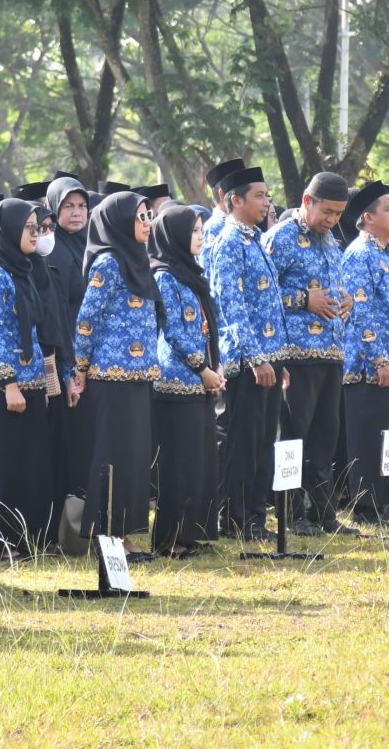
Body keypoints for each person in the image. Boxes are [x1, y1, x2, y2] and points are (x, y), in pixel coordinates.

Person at [262, 173, 353, 534]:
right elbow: (263, 297)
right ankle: (290, 513)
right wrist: (304, 300)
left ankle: (323, 514)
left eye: (338, 213)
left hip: (330, 353)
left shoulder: (332, 242)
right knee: (293, 436)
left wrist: (344, 299)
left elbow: (334, 289)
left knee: (324, 437)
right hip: (294, 356)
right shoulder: (279, 239)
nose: (331, 219)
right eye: (327, 211)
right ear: (306, 201)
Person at [73, 191, 161, 555]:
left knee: (134, 458)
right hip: (110, 377)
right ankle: (105, 537)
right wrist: (79, 368)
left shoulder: (138, 258)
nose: (147, 223)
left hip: (139, 376)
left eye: (147, 216)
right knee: (112, 457)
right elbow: (86, 321)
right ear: (120, 222)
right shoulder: (108, 263)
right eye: (140, 217)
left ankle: (124, 535)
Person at [204, 167, 287, 539]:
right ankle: (238, 520)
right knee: (243, 443)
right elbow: (230, 308)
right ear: (233, 200)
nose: (265, 202)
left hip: (268, 360)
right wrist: (257, 358)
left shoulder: (254, 239)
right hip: (245, 365)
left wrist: (277, 359)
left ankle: (255, 516)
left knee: (264, 442)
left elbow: (269, 305)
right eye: (257, 195)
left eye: (266, 195)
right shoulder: (228, 243)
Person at [0, 199, 54, 559]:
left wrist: (45, 381)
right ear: (7, 230)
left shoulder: (23, 269)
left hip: (31, 382)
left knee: (29, 465)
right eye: (29, 228)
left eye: (39, 228)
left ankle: (26, 537)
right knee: (3, 466)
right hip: (4, 388)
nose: (36, 235)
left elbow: (35, 330)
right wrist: (9, 383)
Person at [147, 204, 224, 556]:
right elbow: (174, 333)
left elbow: (209, 325)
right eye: (193, 231)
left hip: (202, 380)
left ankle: (191, 533)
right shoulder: (164, 275)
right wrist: (203, 369)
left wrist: (216, 366)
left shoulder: (193, 273)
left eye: (201, 230)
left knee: (199, 462)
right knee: (177, 465)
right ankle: (169, 539)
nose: (201, 237)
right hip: (177, 383)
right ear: (175, 236)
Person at [337, 181, 389, 528]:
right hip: (370, 368)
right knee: (369, 441)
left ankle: (388, 507)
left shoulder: (385, 252)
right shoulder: (359, 254)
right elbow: (360, 313)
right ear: (367, 217)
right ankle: (367, 509)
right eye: (388, 208)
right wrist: (380, 359)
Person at [45, 176, 93, 504]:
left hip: (93, 357)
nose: (76, 213)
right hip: (69, 358)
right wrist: (70, 367)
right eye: (68, 206)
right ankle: (71, 516)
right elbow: (56, 315)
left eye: (81, 206)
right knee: (72, 439)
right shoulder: (53, 252)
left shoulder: (92, 245)